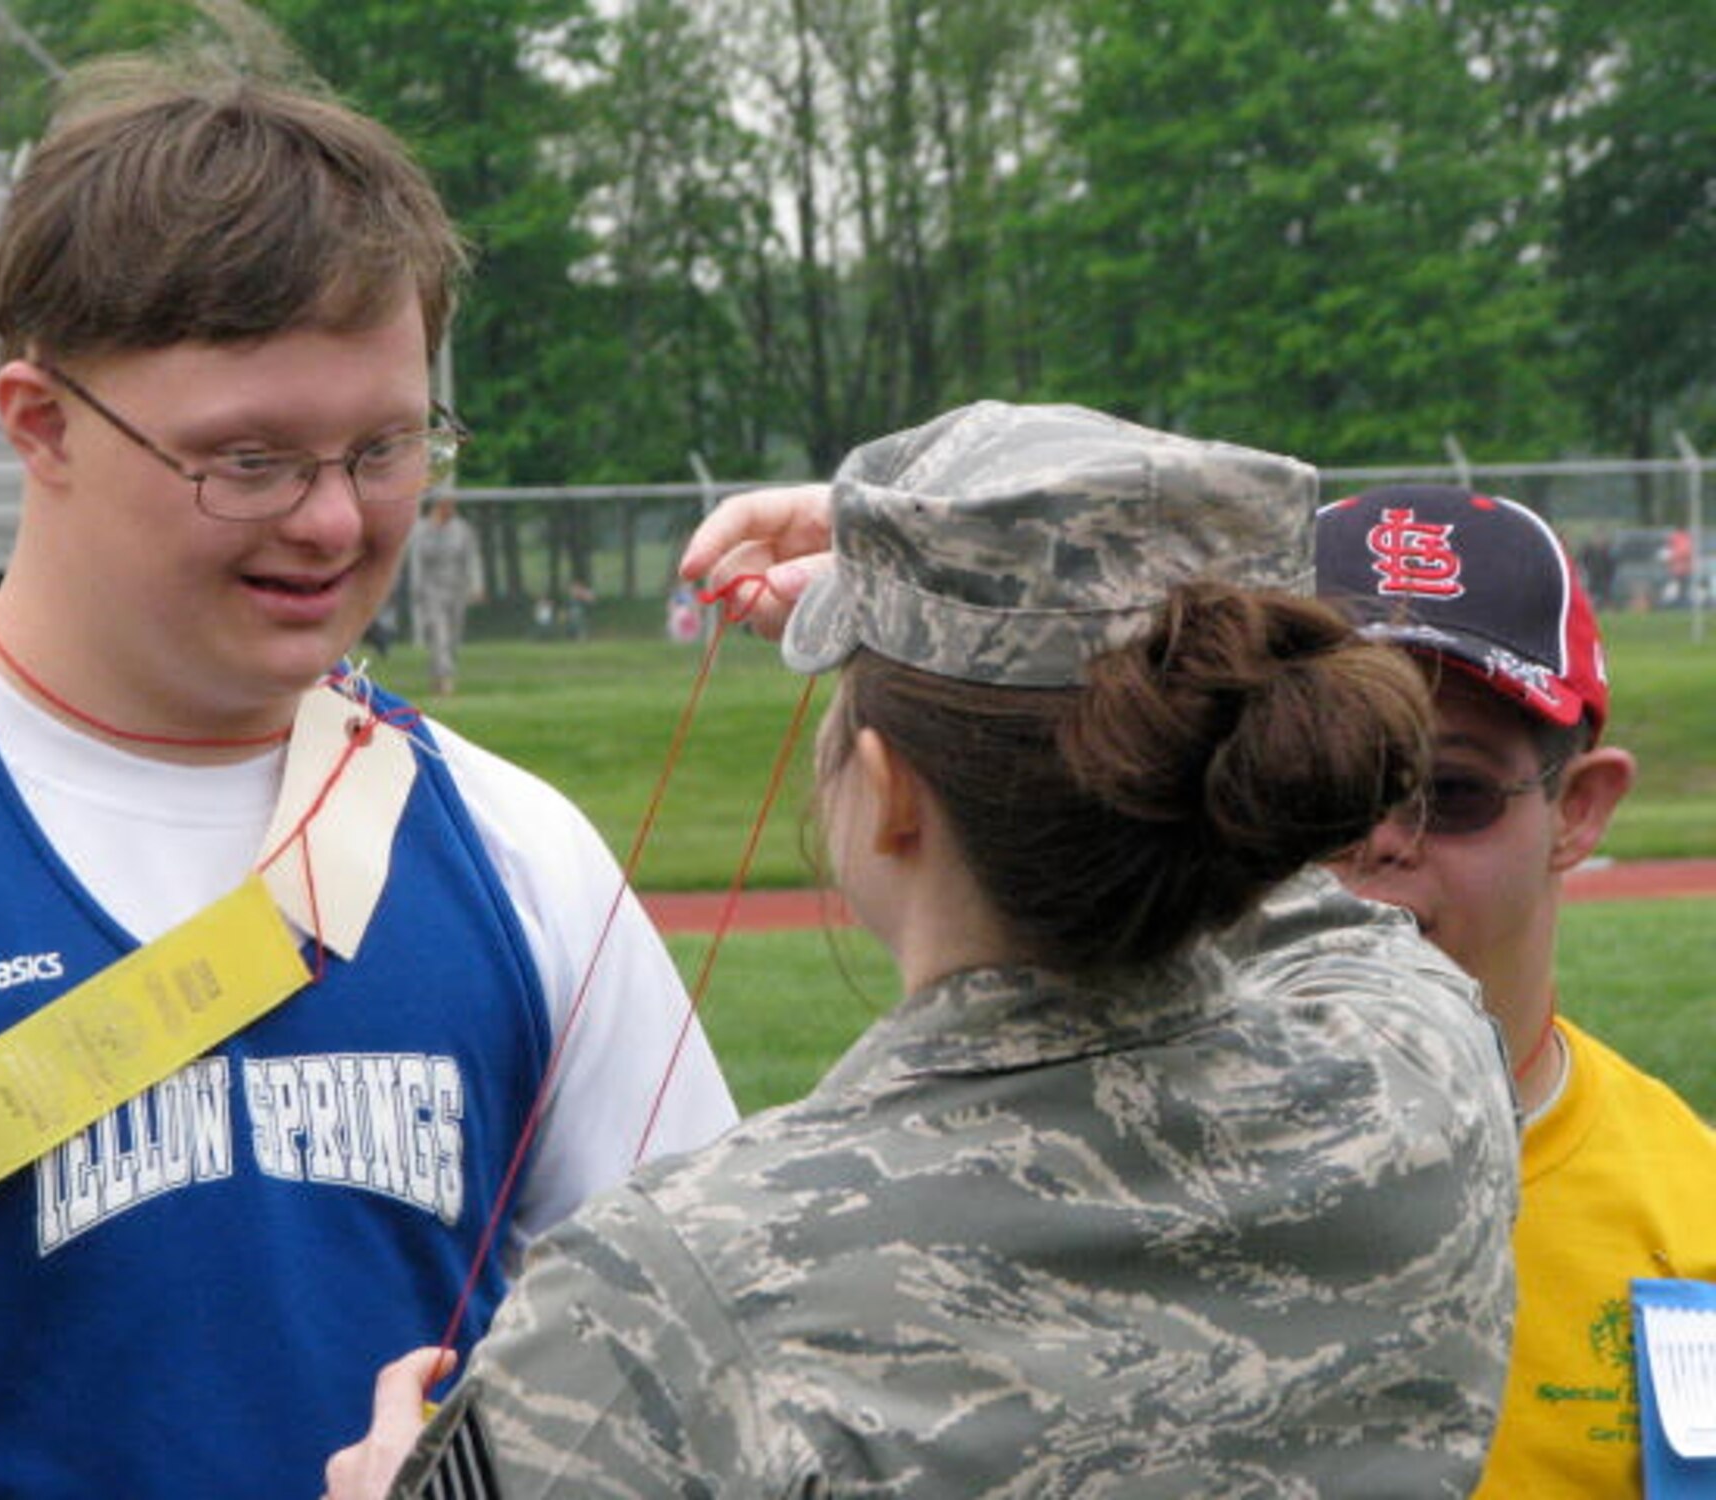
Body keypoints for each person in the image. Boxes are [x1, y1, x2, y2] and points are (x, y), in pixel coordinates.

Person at [0, 53, 736, 1500]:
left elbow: (701, 1372)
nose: (332, 519)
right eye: (248, 460)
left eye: (384, 446)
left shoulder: (521, 855)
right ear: (41, 421)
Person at [327, 402, 1521, 1498]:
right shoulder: (1419, 1082)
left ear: (888, 791)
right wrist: (963, 601)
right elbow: (1290, 882)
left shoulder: (677, 1283)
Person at [1316, 484, 1716, 1499]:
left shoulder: (1689, 1220)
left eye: (1449, 792)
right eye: (1315, 786)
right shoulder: (1102, 1174)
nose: (1376, 842)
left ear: (1576, 811)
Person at [407, 492, 483, 695]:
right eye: (445, 504)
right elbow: (416, 561)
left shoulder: (462, 529)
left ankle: (437, 675)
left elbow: (471, 559)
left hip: (457, 589)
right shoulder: (422, 529)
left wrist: (476, 585)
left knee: (453, 639)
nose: (450, 508)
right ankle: (446, 681)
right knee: (439, 635)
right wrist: (416, 589)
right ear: (437, 506)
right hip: (432, 590)